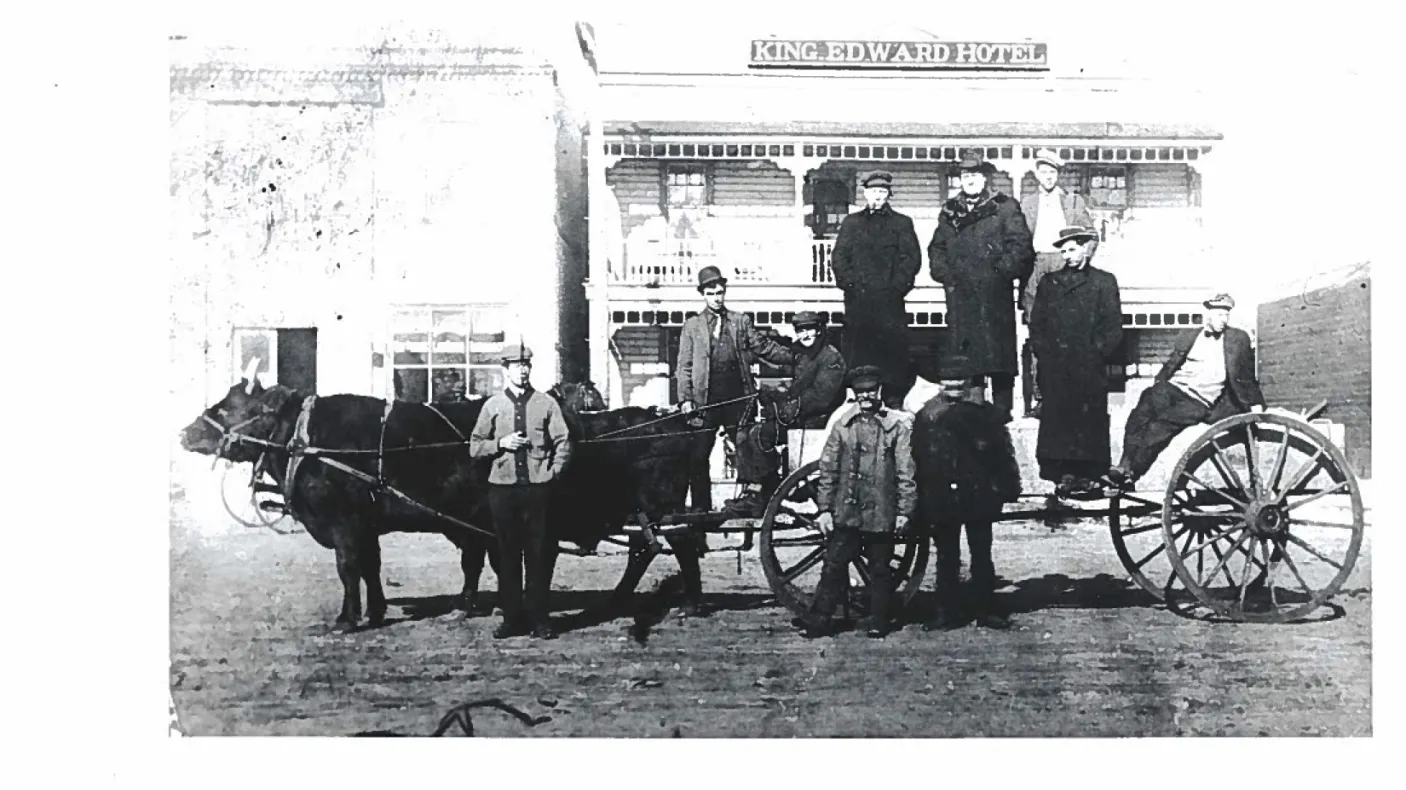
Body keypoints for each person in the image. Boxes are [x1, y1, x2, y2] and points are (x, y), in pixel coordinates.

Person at [794, 366, 917, 640]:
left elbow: (905, 472)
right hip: (847, 512)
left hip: (881, 511)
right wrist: (825, 509)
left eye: (871, 391)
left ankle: (879, 620)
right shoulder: (843, 426)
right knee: (834, 564)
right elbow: (829, 471)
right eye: (861, 392)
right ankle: (821, 619)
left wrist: (904, 512)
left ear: (880, 392)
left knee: (880, 568)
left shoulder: (896, 428)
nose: (866, 396)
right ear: (854, 394)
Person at [1105, 293, 1266, 490]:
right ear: (1208, 314)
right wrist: (1159, 383)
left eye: (1226, 315)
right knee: (1144, 405)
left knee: (1160, 426)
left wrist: (1256, 403)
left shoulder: (1237, 338)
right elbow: (1173, 362)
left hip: (1200, 400)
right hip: (1175, 388)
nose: (1223, 320)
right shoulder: (1189, 335)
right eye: (1219, 315)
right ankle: (1124, 464)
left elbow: (1246, 374)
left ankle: (1133, 473)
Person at [468, 344, 573, 640]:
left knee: (539, 555)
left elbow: (563, 441)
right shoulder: (493, 405)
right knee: (508, 556)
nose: (522, 370)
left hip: (538, 491)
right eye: (516, 365)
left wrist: (553, 472)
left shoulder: (546, 404)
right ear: (505, 370)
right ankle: (513, 619)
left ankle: (540, 619)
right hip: (502, 491)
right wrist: (500, 444)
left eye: (526, 364)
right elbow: (475, 446)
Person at [928, 152, 1036, 422]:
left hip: (993, 295)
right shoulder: (950, 211)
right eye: (965, 176)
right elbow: (937, 249)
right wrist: (948, 278)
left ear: (985, 178)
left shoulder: (1004, 207)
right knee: (968, 359)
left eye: (975, 175)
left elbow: (1021, 247)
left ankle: (1002, 414)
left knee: (998, 358)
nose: (971, 180)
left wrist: (999, 273)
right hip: (961, 296)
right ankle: (973, 413)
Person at [675, 265, 794, 511]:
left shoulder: (740, 321)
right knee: (697, 458)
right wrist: (686, 400)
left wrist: (796, 357)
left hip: (739, 401)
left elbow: (764, 347)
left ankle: (755, 502)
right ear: (703, 294)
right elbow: (684, 366)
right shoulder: (692, 326)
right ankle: (701, 512)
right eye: (711, 293)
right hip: (704, 404)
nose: (717, 298)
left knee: (748, 451)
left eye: (720, 292)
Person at [913, 377, 1021, 631]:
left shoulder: (985, 414)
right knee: (946, 555)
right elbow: (916, 455)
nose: (953, 385)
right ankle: (947, 611)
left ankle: (985, 609)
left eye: (959, 380)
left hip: (978, 492)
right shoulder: (927, 414)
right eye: (948, 380)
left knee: (981, 554)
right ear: (940, 383)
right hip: (942, 493)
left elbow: (1003, 452)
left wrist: (1007, 486)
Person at [721, 311, 847, 518]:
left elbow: (821, 397)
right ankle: (753, 490)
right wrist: (774, 396)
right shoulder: (803, 354)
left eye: (809, 330)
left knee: (761, 434)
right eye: (800, 331)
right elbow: (785, 372)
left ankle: (765, 490)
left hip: (816, 420)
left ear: (818, 330)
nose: (805, 335)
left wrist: (784, 405)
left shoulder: (830, 357)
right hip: (800, 418)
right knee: (743, 434)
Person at [1029, 226, 1123, 500]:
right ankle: (1063, 475)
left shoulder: (1104, 282)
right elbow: (1038, 324)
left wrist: (1096, 354)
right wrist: (1045, 354)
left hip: (1088, 366)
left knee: (1088, 421)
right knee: (1059, 420)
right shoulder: (1050, 282)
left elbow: (1113, 326)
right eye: (1063, 251)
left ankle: (1088, 475)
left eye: (1071, 249)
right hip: (1056, 366)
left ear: (1085, 248)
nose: (1066, 256)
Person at [830, 170, 923, 409]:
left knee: (891, 352)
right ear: (865, 194)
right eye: (873, 191)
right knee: (859, 350)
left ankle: (892, 399)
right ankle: (860, 397)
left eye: (882, 192)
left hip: (889, 302)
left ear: (889, 194)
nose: (877, 196)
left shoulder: (901, 223)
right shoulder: (852, 223)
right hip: (858, 301)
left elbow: (911, 259)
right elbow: (839, 258)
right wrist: (851, 285)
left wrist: (896, 288)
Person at [1019, 149, 1095, 418]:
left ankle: (1071, 396)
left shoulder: (1073, 201)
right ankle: (1042, 398)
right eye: (1043, 172)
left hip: (1065, 265)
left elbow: (1091, 235)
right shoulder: (1026, 203)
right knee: (1039, 336)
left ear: (1057, 174)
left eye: (1052, 172)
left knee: (1070, 331)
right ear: (1037, 175)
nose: (1048, 177)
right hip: (1036, 269)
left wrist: (1082, 260)